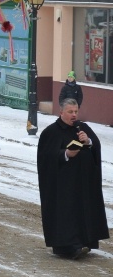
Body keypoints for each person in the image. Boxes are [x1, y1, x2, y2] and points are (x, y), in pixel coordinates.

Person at [37, 98, 109, 259]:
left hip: (83, 182)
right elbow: (45, 157)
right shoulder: (51, 132)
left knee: (83, 211)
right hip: (62, 186)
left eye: (76, 111)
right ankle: (69, 246)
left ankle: (85, 242)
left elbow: (95, 147)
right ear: (61, 112)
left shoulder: (83, 128)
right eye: (70, 112)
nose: (74, 115)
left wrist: (88, 141)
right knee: (66, 214)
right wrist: (65, 154)